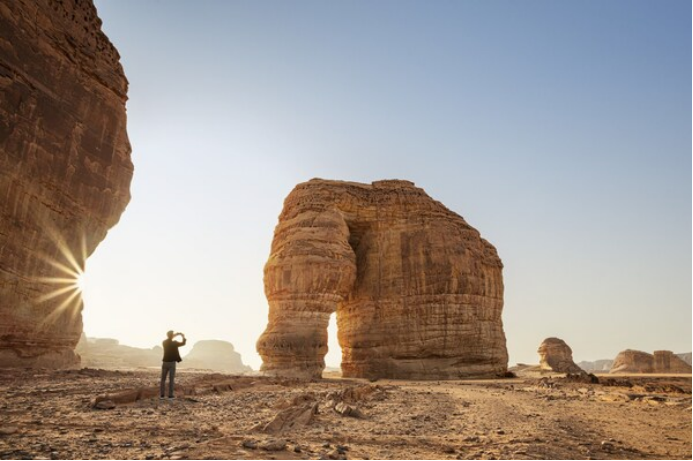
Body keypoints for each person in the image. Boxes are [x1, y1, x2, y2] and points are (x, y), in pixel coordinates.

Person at [160, 330, 187, 400]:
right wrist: (182, 336)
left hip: (165, 362)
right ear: (172, 336)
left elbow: (169, 338)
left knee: (163, 380)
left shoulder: (164, 342)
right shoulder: (174, 343)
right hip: (172, 363)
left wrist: (174, 335)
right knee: (171, 380)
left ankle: (162, 396)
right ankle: (170, 396)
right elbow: (183, 343)